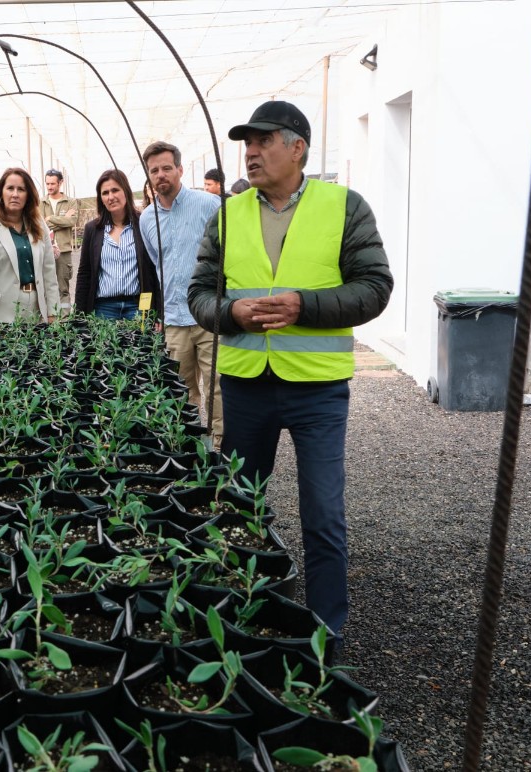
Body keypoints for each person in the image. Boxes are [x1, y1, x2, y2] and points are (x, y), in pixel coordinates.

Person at [187, 100, 393, 641]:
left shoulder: (345, 207)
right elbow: (199, 295)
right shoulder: (227, 215)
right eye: (246, 144)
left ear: (297, 148)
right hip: (247, 386)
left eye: (263, 141)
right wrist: (229, 312)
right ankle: (238, 620)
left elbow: (374, 289)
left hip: (317, 390)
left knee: (323, 515)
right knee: (237, 509)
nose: (250, 153)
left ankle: (326, 636)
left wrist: (305, 305)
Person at [139, 141, 225, 447]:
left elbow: (226, 253)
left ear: (180, 169)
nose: (161, 175)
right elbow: (156, 264)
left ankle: (218, 453)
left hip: (209, 316)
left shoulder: (208, 205)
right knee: (182, 391)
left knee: (217, 390)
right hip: (174, 319)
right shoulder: (147, 219)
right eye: (154, 170)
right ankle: (189, 453)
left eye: (166, 168)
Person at [75, 169, 160, 321]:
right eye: (105, 193)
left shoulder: (143, 223)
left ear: (126, 191)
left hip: (138, 306)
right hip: (103, 309)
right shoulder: (93, 229)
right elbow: (84, 273)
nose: (111, 197)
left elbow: (155, 270)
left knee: (139, 345)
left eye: (115, 190)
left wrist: (159, 312)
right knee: (105, 345)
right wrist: (79, 316)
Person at [0, 168, 60, 323]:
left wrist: (53, 312)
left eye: (21, 189)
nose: (15, 194)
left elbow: (49, 273)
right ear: (1, 193)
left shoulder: (39, 226)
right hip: (1, 313)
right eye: (10, 188)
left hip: (36, 311)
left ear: (28, 195)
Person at [41, 169, 78, 312]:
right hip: (45, 250)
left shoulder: (71, 202)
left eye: (53, 184)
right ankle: (49, 318)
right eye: (47, 184)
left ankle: (64, 320)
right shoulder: (41, 203)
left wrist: (50, 219)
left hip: (63, 251)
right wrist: (62, 220)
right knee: (47, 285)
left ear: (61, 183)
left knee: (63, 288)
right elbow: (40, 225)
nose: (49, 187)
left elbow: (72, 221)